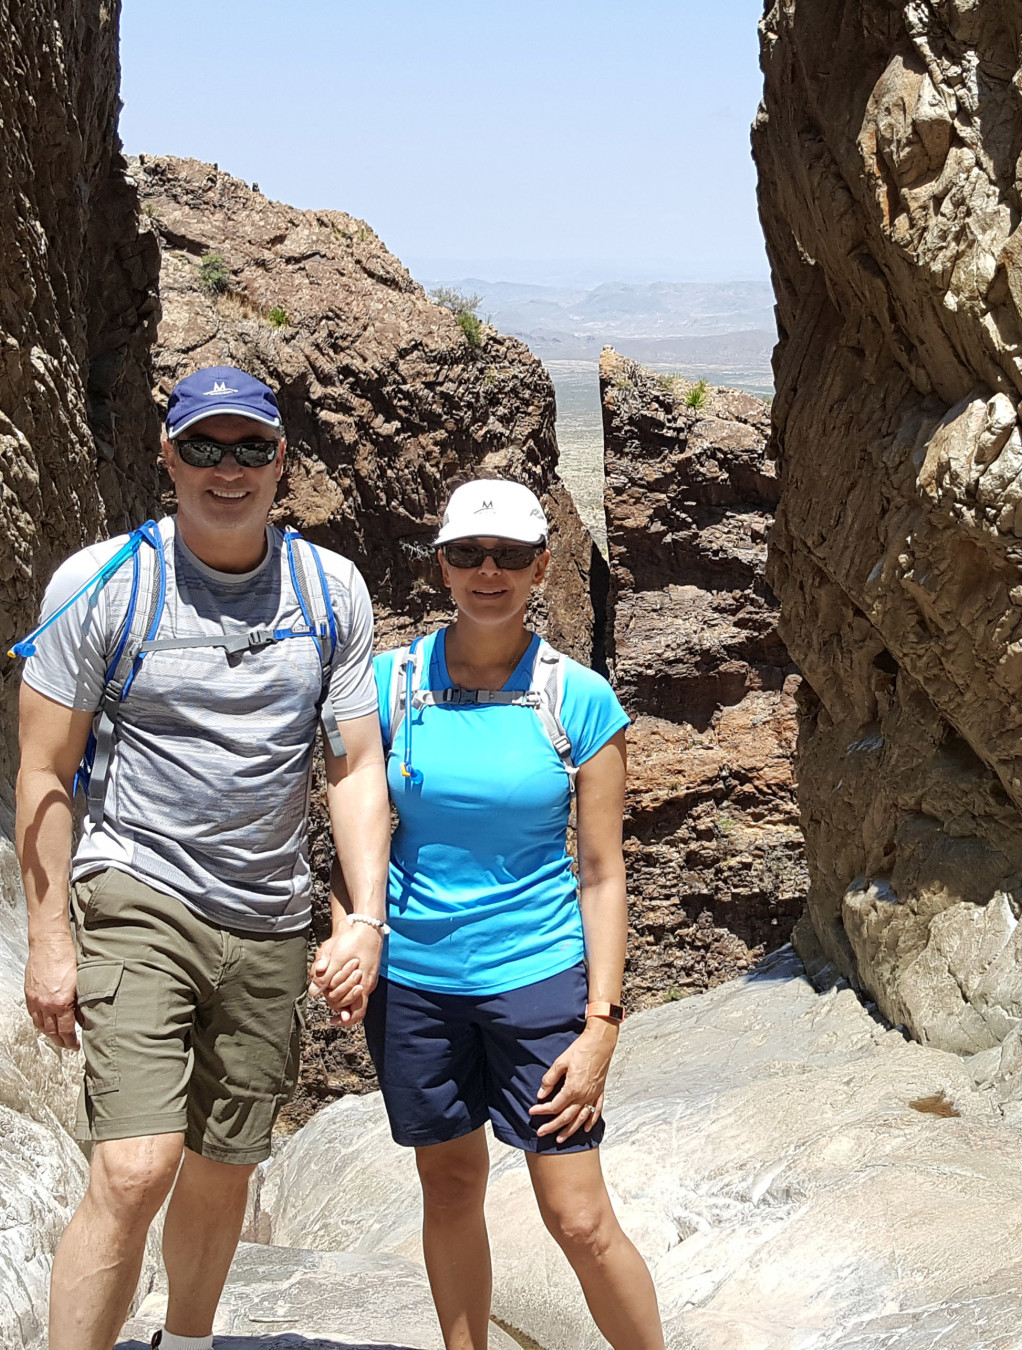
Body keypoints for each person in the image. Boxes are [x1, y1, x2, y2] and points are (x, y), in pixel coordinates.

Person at [15, 366, 390, 1350]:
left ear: (281, 462)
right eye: (207, 448)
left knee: (226, 1164)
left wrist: (366, 917)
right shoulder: (105, 585)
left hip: (268, 912)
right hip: (140, 888)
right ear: (169, 456)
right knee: (136, 1167)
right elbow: (45, 770)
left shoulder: (328, 590)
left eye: (252, 448)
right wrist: (49, 940)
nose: (230, 470)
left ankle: (183, 1341)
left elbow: (354, 767)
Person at [357, 478, 665, 1350]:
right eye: (467, 555)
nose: (487, 572)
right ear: (442, 565)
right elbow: (354, 829)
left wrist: (602, 1024)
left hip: (537, 982)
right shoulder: (388, 687)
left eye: (510, 556)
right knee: (450, 1191)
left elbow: (603, 871)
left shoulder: (579, 701)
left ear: (541, 567)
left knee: (576, 1214)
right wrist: (356, 928)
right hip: (415, 983)